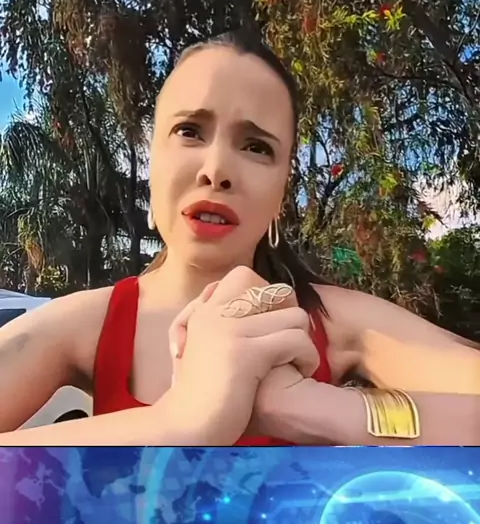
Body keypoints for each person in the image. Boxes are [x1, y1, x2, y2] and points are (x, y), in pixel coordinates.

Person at [1, 30, 479, 447]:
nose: (216, 171)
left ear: (281, 192)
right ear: (153, 161)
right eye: (189, 131)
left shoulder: (335, 322)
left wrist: (317, 408)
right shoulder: (88, 324)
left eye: (256, 147)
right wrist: (178, 421)